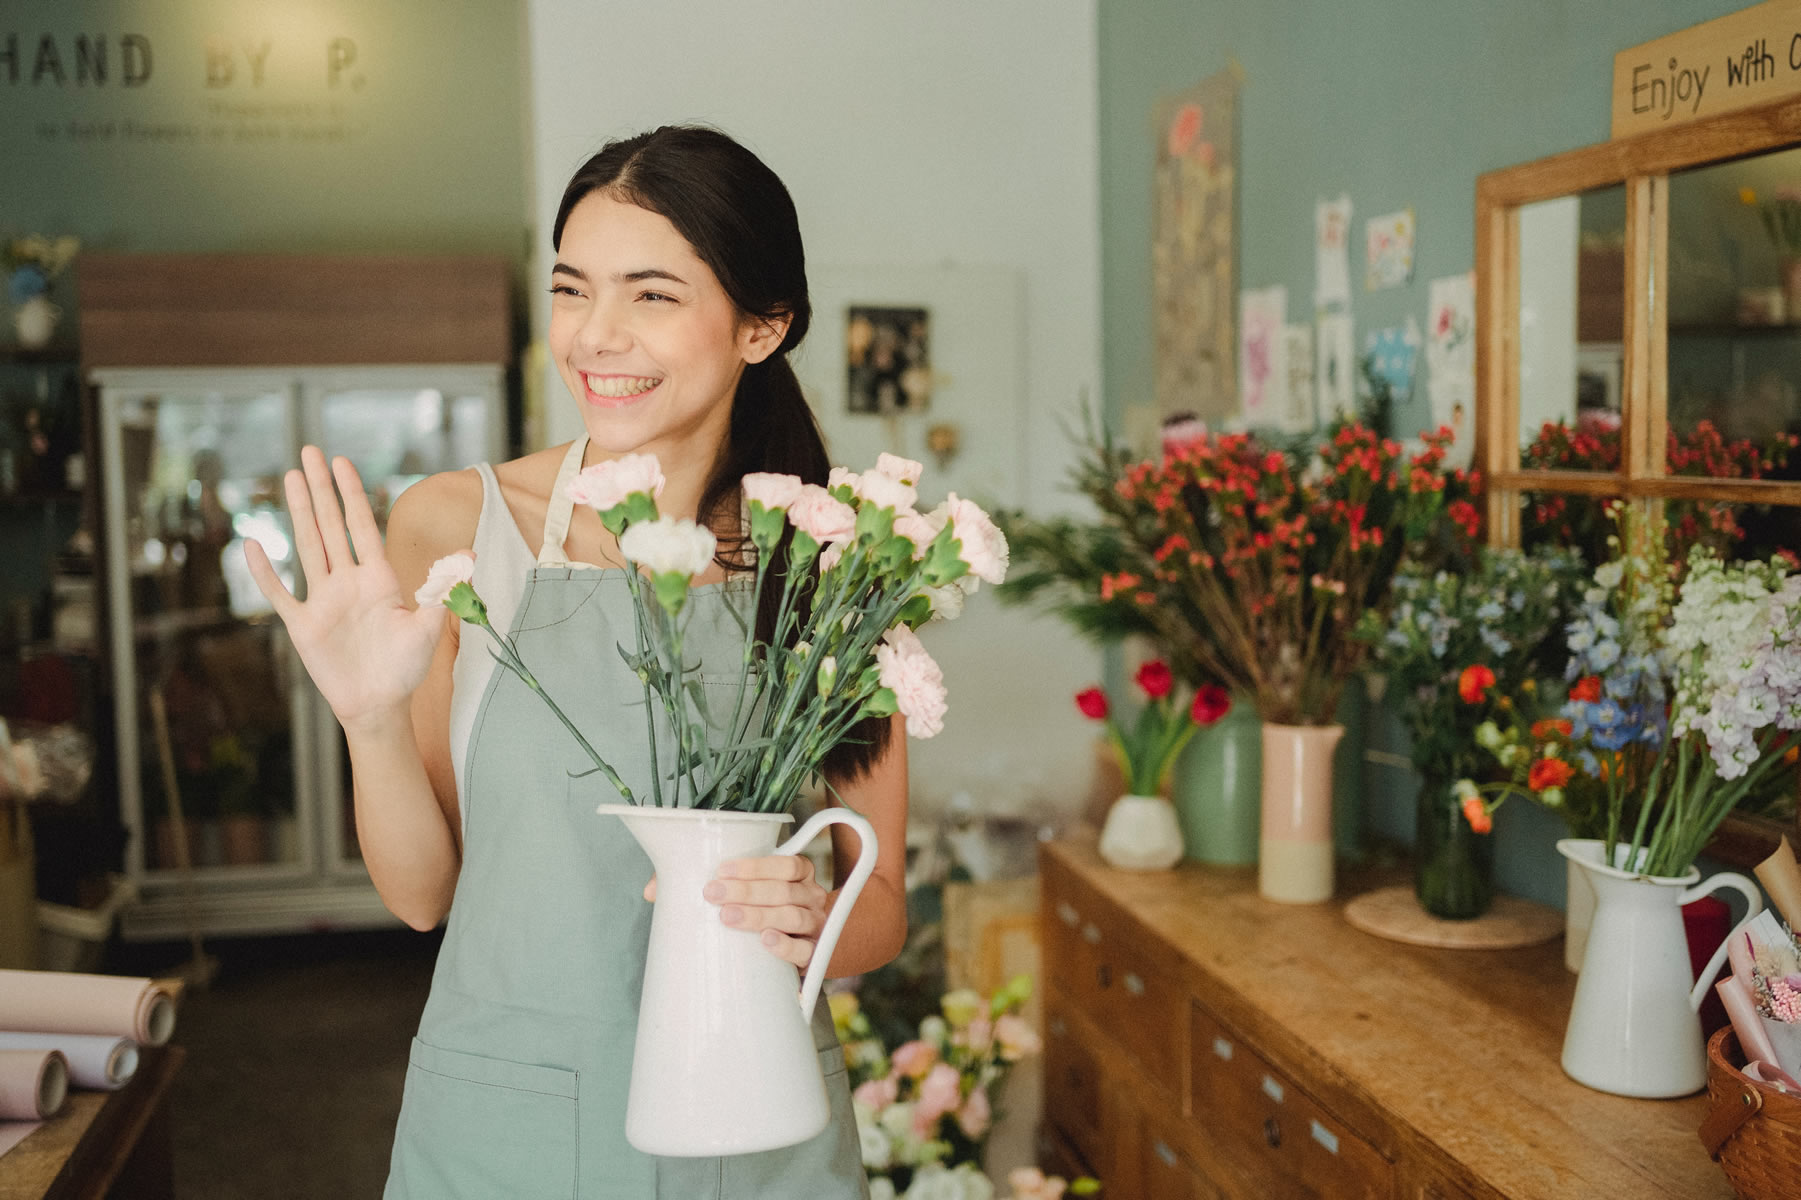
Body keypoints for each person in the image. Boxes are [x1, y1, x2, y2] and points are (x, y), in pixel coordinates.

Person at [244, 125, 907, 1198]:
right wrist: (369, 721)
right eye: (571, 289)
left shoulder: (835, 556)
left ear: (761, 325)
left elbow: (879, 913)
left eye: (651, 295)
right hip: (506, 1123)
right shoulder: (459, 524)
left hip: (757, 1129)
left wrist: (806, 909)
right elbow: (423, 896)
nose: (597, 336)